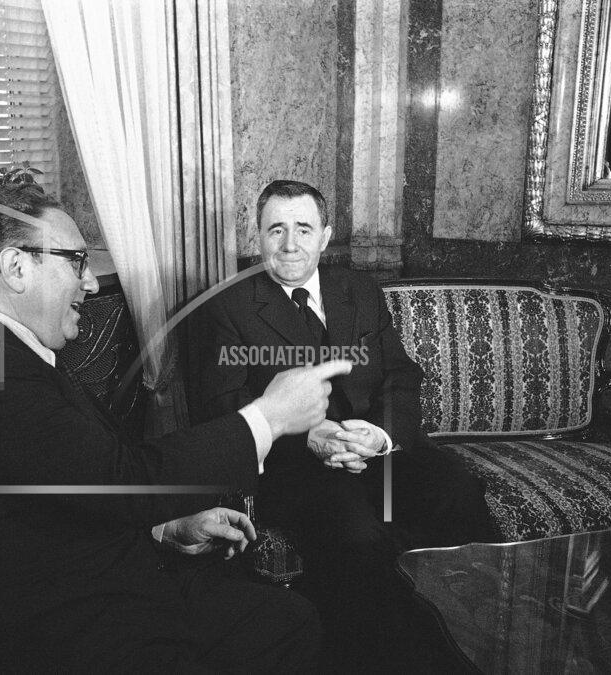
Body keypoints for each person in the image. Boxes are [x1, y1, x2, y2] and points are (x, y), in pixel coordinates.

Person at [0, 182, 353, 671]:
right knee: (286, 624)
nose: (91, 283)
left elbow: (68, 483)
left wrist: (165, 530)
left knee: (286, 618)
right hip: (63, 630)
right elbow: (117, 477)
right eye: (76, 261)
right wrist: (269, 416)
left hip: (92, 581)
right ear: (16, 267)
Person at [194, 179, 494, 671]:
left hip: (377, 461)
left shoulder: (358, 290)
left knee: (454, 490)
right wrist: (307, 436)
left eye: (303, 229)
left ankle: (473, 645)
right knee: (359, 538)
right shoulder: (229, 306)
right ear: (258, 236)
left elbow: (399, 376)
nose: (290, 244)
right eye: (276, 229)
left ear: (325, 235)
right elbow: (221, 404)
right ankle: (383, 661)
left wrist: (379, 435)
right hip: (296, 470)